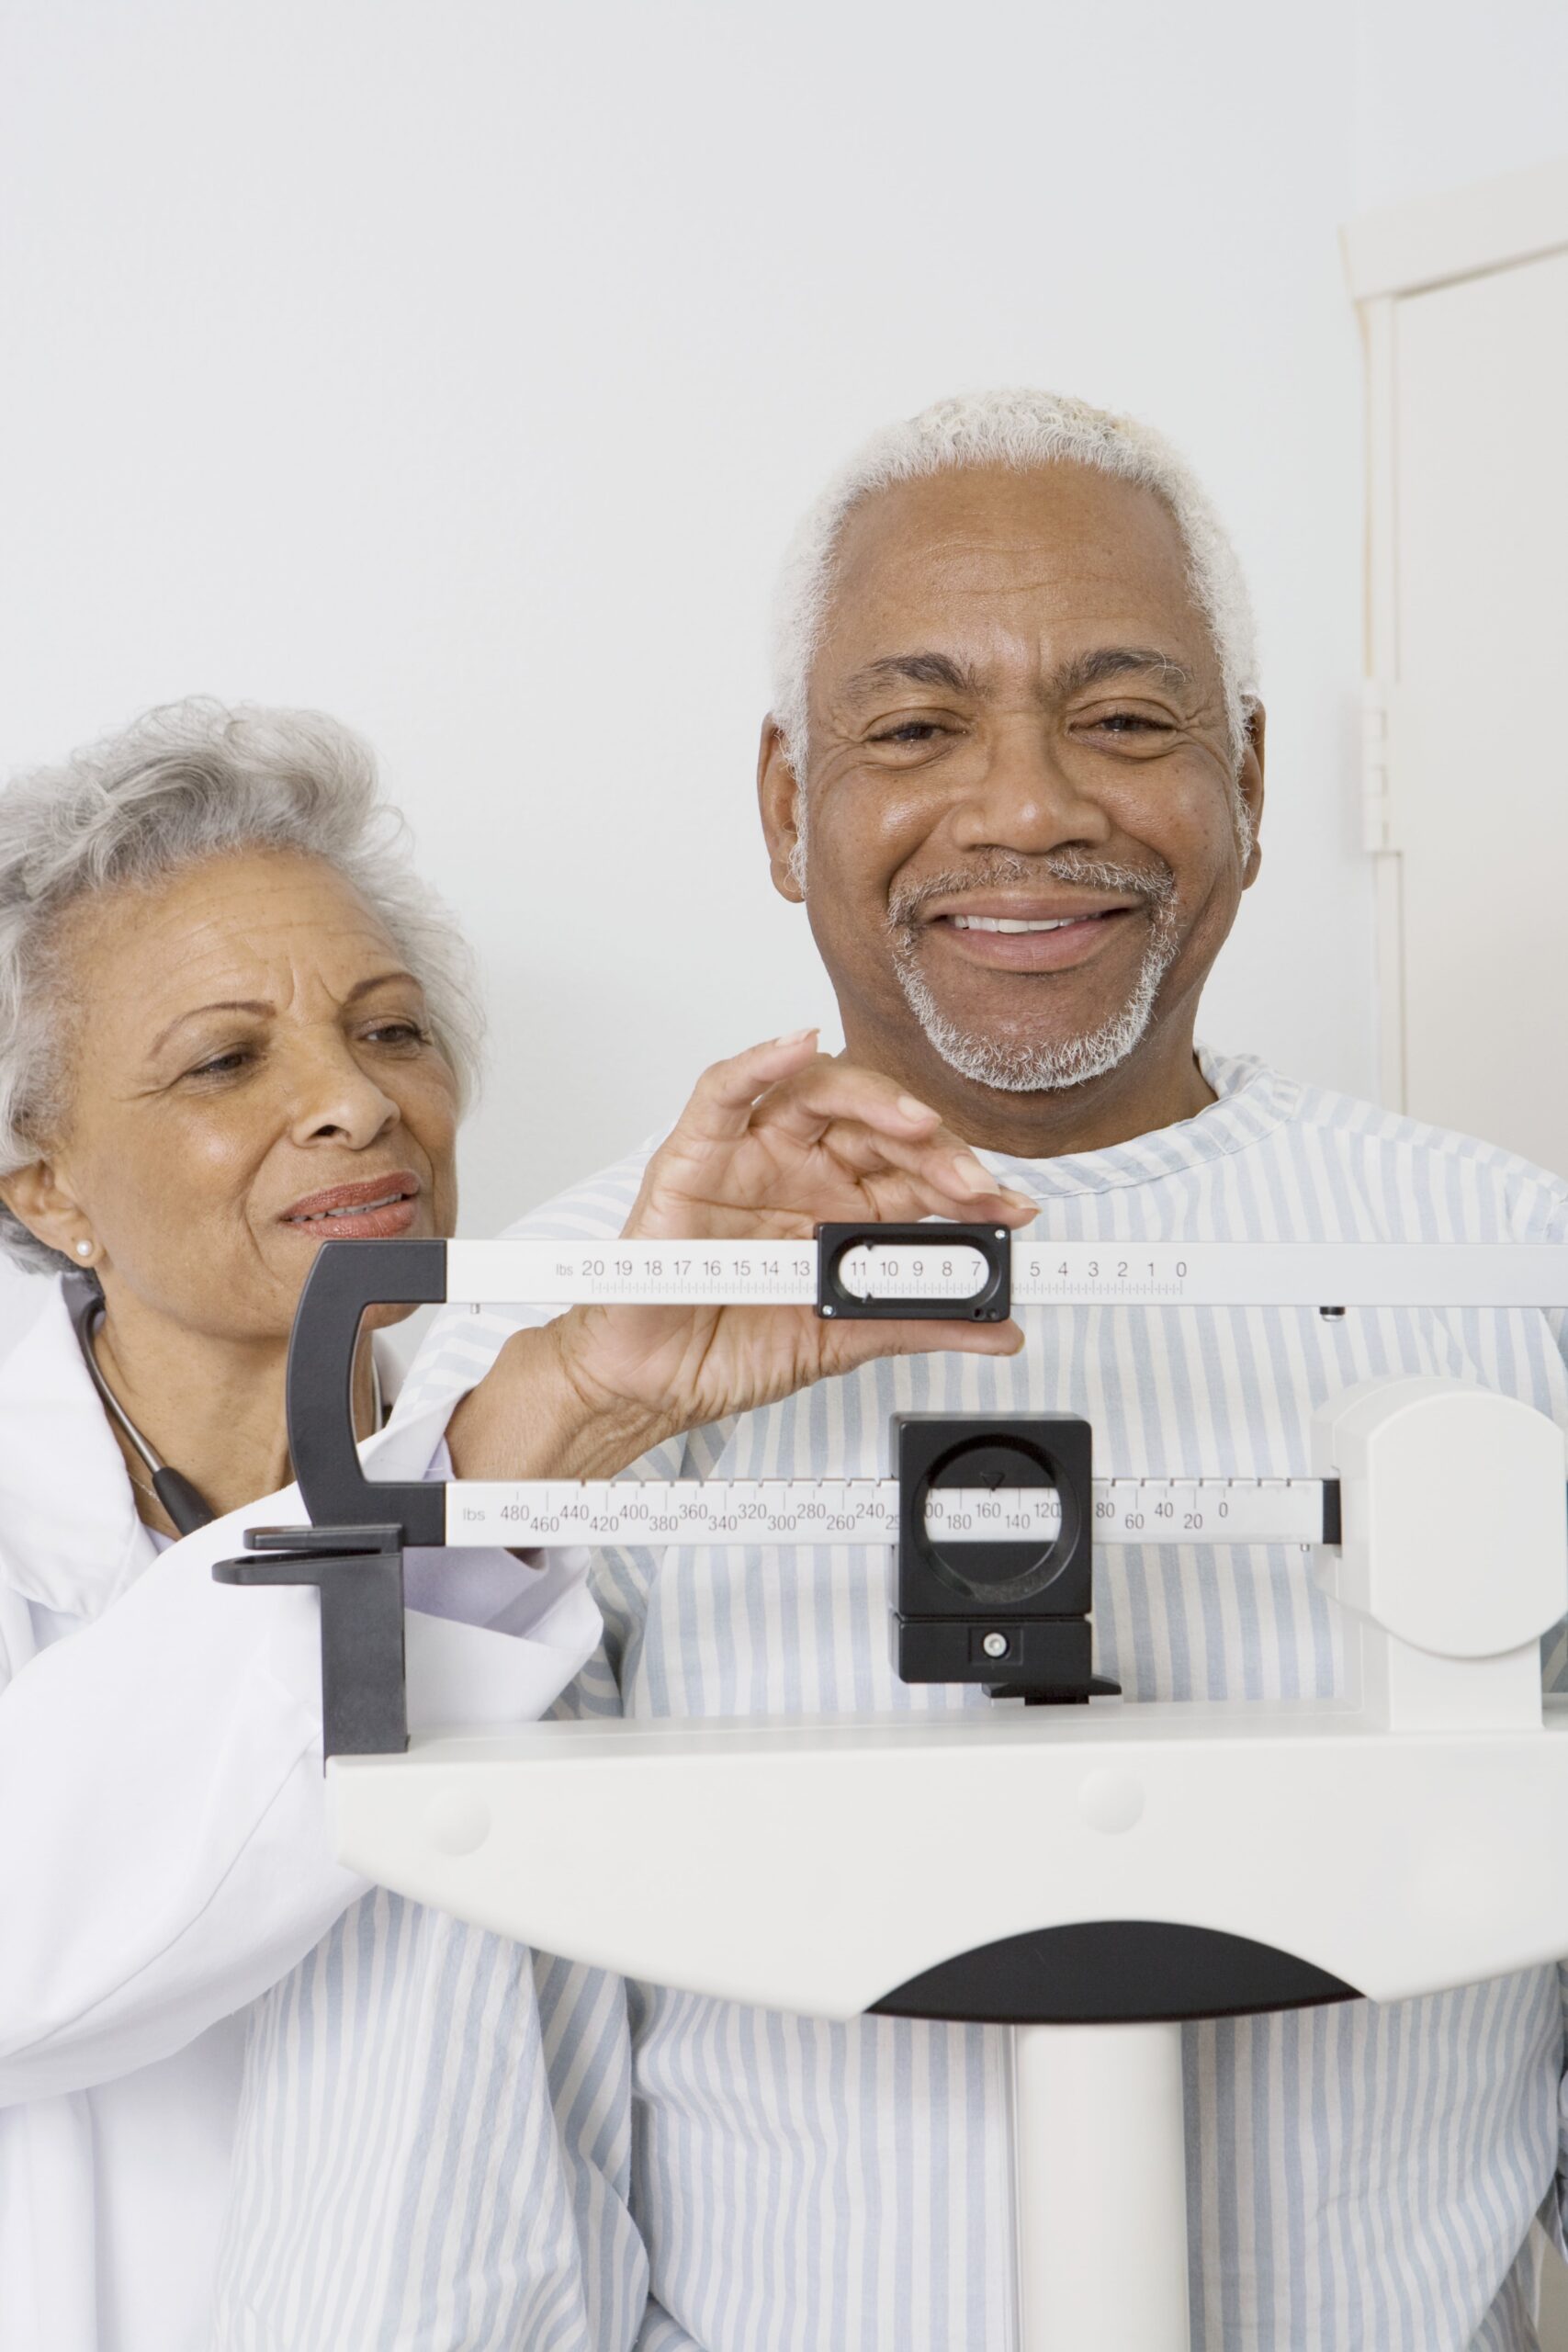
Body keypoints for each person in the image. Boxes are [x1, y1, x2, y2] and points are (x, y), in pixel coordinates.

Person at [223, 390, 1568, 2352]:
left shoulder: (1506, 1269)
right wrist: (585, 1409)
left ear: (1251, 779)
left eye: (1121, 719)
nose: (1025, 807)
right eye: (916, 727)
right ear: (785, 802)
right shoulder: (573, 1336)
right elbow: (429, 2112)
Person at [0, 695, 1034, 2352]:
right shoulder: (499, 1460)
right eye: (225, 1059)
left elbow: (658, 2125)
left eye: (393, 1031)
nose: (353, 1103)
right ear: (43, 1184)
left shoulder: (545, 1509)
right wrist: (530, 1436)